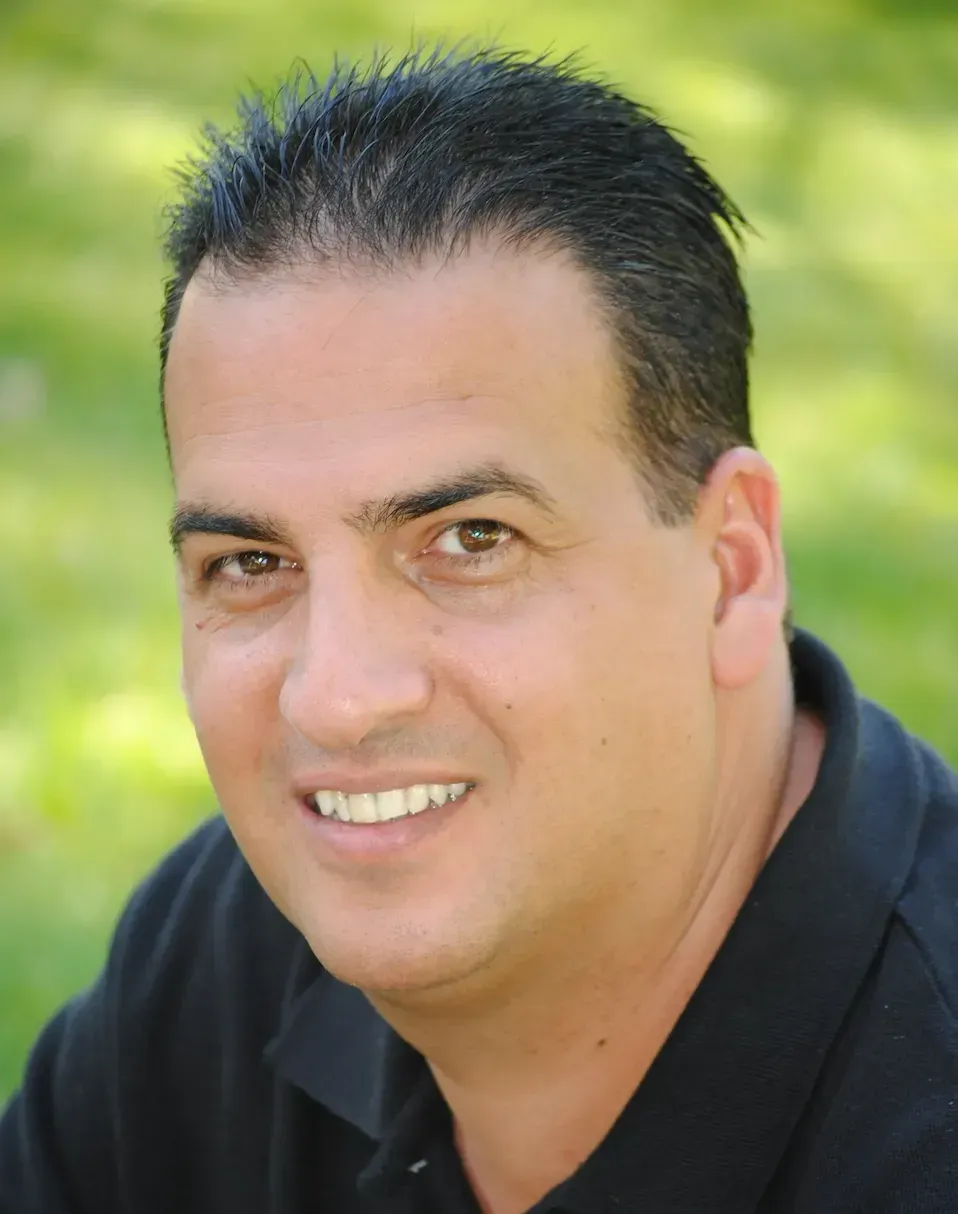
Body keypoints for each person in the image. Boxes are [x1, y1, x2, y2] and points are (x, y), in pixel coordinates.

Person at [2, 45, 956, 1214]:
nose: (335, 699)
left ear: (730, 567)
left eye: (470, 539)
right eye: (251, 562)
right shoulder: (223, 962)